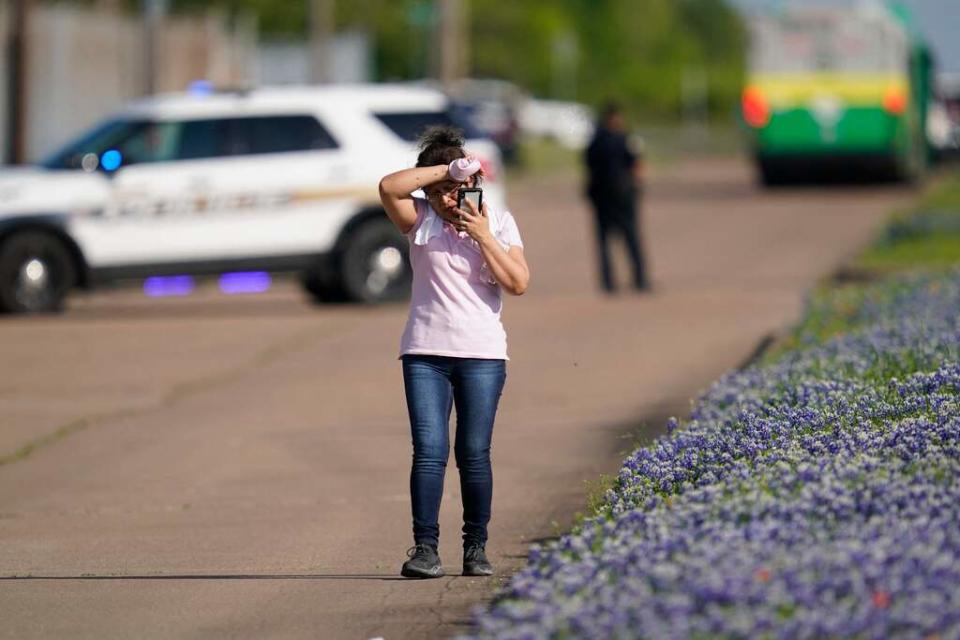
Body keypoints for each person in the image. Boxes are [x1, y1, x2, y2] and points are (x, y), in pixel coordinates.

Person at [378, 127, 530, 579]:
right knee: (428, 452)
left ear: (474, 185)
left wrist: (482, 234)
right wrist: (446, 169)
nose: (449, 199)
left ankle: (475, 548)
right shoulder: (419, 220)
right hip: (425, 353)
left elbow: (518, 283)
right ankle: (425, 548)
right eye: (440, 192)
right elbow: (388, 187)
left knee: (474, 453)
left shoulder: (498, 221)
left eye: (458, 189)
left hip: (482, 355)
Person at [584, 102, 650, 293]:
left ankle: (615, 282)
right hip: (618, 196)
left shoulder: (596, 140)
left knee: (612, 240)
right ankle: (634, 280)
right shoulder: (625, 139)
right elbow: (637, 165)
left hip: (607, 197)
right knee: (627, 238)